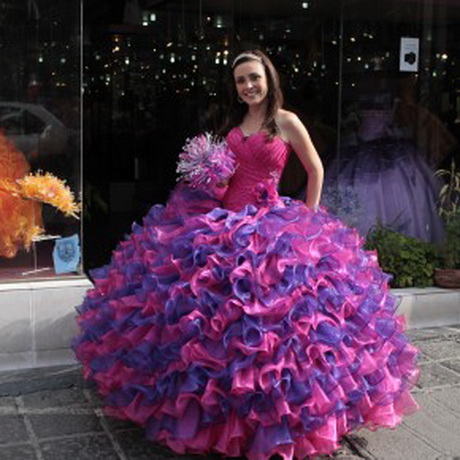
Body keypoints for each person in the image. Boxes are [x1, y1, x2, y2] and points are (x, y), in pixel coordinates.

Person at [73, 50, 419, 459]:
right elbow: (229, 175)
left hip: (270, 223)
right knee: (208, 318)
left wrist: (307, 218)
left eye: (254, 77)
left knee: (275, 324)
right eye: (241, 80)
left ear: (269, 79)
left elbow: (315, 169)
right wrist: (209, 176)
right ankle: (213, 410)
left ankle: (275, 417)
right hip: (222, 221)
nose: (248, 86)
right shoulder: (234, 125)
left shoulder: (287, 121)